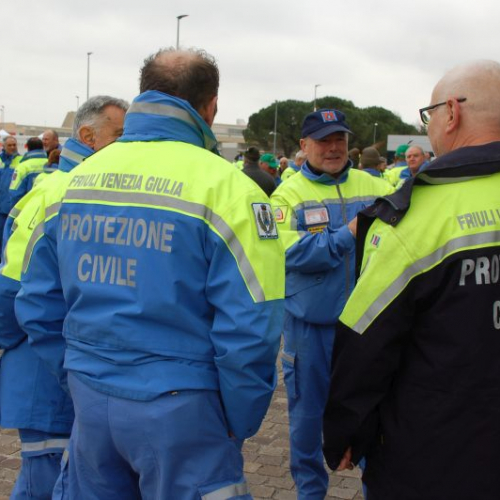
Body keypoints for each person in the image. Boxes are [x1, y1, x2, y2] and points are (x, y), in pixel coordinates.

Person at [16, 47, 284, 500]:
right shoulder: (230, 189)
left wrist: (78, 375)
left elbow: (37, 303)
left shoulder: (72, 182)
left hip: (90, 400)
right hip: (184, 410)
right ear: (210, 106)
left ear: (144, 93)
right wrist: (237, 419)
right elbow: (252, 326)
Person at [322, 59, 500, 500]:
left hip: (435, 456)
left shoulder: (413, 218)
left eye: (430, 114)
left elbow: (366, 341)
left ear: (452, 113)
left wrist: (345, 431)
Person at [0, 95, 128, 500]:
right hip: (47, 374)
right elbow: (11, 290)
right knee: (43, 484)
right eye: (121, 135)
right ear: (88, 136)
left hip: (71, 374)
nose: (131, 145)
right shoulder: (59, 191)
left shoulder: (95, 188)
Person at [271, 108, 392, 499]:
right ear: (304, 146)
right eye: (324, 140)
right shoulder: (287, 195)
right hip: (310, 332)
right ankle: (310, 494)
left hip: (366, 327)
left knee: (374, 414)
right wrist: (347, 235)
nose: (334, 147)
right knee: (307, 424)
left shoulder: (373, 186)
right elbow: (287, 253)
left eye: (340, 139)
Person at [8, 137, 47, 210]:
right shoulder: (51, 164)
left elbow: (15, 194)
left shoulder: (23, 167)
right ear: (42, 147)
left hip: (29, 210)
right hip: (47, 209)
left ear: (27, 147)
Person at [0, 137, 21, 250]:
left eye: (14, 145)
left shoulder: (21, 160)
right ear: (4, 146)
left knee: (9, 239)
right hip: (1, 208)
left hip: (13, 208)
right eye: (9, 145)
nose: (12, 147)